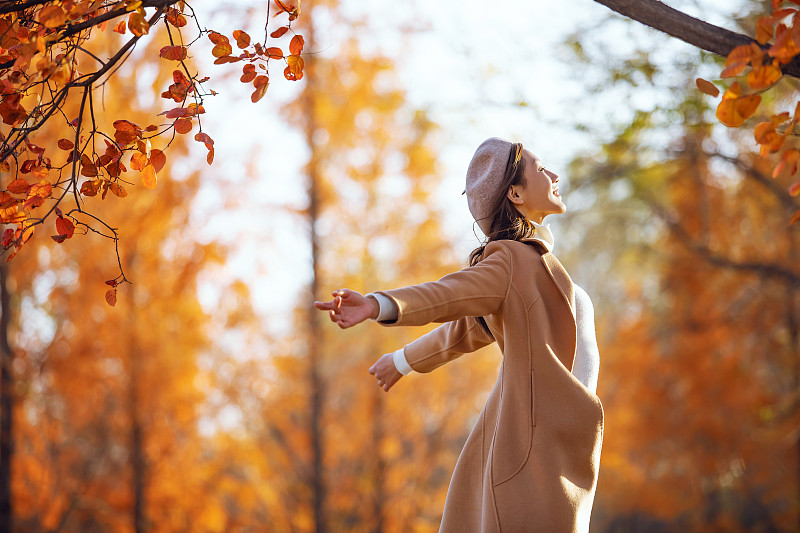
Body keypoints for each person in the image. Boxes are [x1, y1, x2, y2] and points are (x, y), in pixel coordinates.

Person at [314, 138, 603, 533]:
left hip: (562, 450)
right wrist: (377, 305)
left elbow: (466, 329)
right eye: (540, 169)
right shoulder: (510, 261)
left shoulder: (533, 265)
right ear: (515, 193)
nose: (554, 175)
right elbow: (449, 295)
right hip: (537, 459)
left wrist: (401, 361)